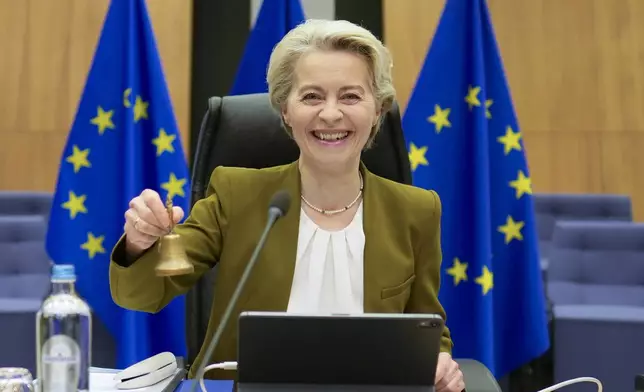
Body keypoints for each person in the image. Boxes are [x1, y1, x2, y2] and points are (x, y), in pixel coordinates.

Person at [109, 19, 464, 392]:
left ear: (378, 110)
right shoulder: (236, 194)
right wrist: (139, 242)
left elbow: (426, 325)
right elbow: (142, 295)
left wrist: (439, 362)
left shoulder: (417, 210)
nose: (330, 114)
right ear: (285, 111)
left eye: (350, 96)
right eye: (311, 96)